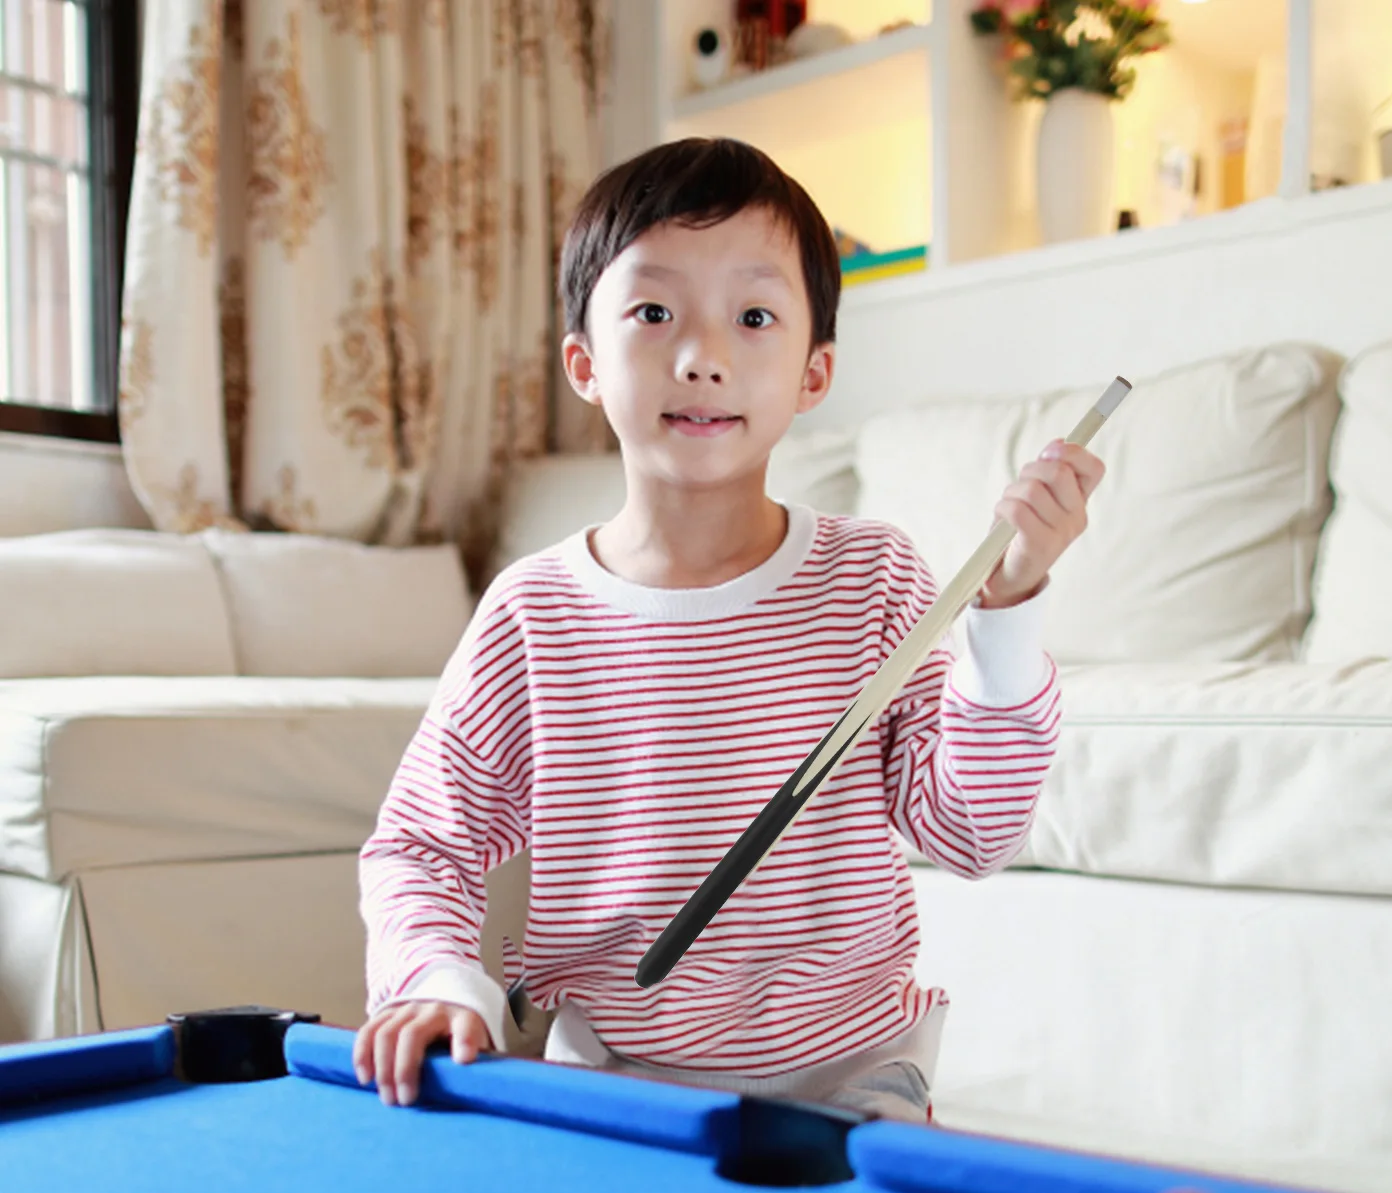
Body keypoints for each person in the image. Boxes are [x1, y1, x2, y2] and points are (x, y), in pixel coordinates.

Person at [354, 137, 1105, 1120]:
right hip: (610, 1076)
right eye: (654, 312)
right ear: (583, 361)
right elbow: (422, 845)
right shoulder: (531, 613)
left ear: (813, 371)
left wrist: (1005, 611)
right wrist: (441, 982)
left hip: (853, 1072)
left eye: (754, 317)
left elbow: (969, 830)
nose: (702, 357)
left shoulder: (873, 575)